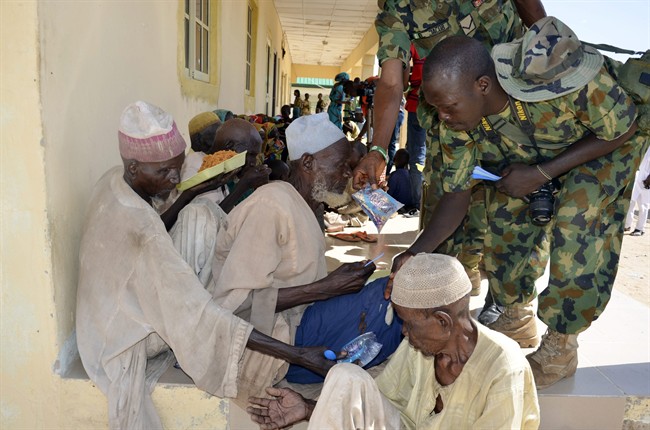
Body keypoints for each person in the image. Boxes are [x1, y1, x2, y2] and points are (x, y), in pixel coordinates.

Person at [390, 19, 646, 389]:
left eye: (448, 106)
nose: (443, 116)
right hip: (538, 159)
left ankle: (561, 345)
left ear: (482, 86)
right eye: (436, 108)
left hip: (604, 143)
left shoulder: (554, 76)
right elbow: (458, 194)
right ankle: (515, 314)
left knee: (579, 213)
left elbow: (622, 128)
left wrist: (542, 173)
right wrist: (415, 252)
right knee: (506, 210)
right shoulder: (456, 122)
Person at [76, 101, 341, 429]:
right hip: (123, 338)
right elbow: (199, 314)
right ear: (133, 167)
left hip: (107, 318)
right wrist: (298, 355)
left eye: (177, 166)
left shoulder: (115, 179)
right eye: (164, 172)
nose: (175, 177)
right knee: (201, 220)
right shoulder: (142, 232)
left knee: (203, 215)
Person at [353, 0, 547, 314]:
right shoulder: (398, 8)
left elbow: (536, 20)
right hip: (457, 113)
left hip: (513, 104)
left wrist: (550, 62)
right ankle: (460, 276)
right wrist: (377, 151)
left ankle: (513, 308)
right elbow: (391, 80)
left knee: (514, 202)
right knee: (450, 195)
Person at [211, 113, 403, 400]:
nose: (347, 175)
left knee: (401, 289)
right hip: (278, 348)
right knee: (391, 293)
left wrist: (333, 284)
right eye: (341, 166)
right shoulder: (271, 204)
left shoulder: (305, 204)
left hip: (301, 327)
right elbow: (234, 305)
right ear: (309, 163)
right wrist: (325, 288)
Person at [247, 253, 540, 430]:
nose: (403, 333)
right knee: (345, 376)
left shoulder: (503, 368)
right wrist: (309, 408)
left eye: (409, 324)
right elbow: (380, 404)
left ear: (442, 321)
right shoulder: (420, 350)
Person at [625, 146, 650, 236]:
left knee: (643, 205)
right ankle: (627, 225)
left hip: (646, 180)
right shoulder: (644, 143)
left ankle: (640, 229)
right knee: (630, 201)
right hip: (635, 176)